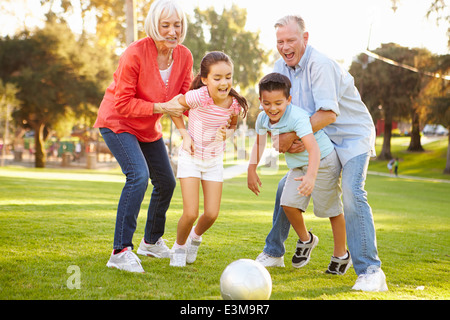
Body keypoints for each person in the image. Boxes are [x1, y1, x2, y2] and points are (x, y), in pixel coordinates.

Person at [255, 15, 388, 291]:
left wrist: (292, 135)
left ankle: (371, 271)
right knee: (284, 188)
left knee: (352, 193)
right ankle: (274, 252)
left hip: (351, 138)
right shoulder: (280, 67)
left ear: (305, 38)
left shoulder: (321, 65)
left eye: (291, 40)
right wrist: (277, 135)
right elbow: (276, 110)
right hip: (320, 139)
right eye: (280, 41)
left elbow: (328, 113)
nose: (285, 46)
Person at [94, 0, 193, 273]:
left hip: (148, 128)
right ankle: (120, 250)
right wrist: (162, 107)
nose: (173, 31)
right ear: (154, 26)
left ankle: (150, 241)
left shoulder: (184, 56)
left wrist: (195, 129)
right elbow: (123, 103)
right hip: (118, 122)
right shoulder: (134, 54)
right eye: (166, 25)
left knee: (166, 181)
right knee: (138, 176)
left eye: (177, 25)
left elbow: (183, 101)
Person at [248, 73, 351, 275]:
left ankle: (341, 255)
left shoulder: (297, 117)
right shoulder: (263, 119)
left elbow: (314, 149)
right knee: (287, 204)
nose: (273, 108)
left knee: (332, 210)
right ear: (260, 101)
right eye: (267, 103)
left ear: (289, 100)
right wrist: (251, 168)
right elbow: (259, 143)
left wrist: (311, 176)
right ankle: (307, 239)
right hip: (298, 167)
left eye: (278, 102)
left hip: (322, 163)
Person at [169, 51, 248, 267]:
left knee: (212, 213)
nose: (224, 83)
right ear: (205, 79)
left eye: (228, 77)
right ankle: (179, 245)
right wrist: (184, 135)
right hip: (191, 158)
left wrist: (228, 134)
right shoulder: (199, 96)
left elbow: (232, 124)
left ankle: (195, 237)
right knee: (190, 212)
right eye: (217, 78)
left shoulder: (234, 104)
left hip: (213, 161)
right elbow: (174, 107)